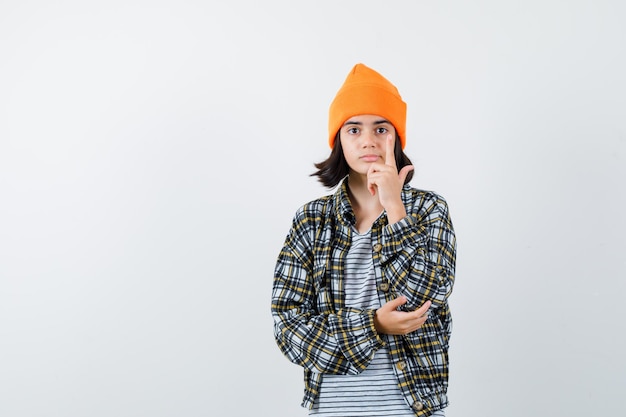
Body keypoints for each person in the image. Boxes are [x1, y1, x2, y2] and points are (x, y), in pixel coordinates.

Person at [271, 63, 457, 417]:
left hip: (413, 407)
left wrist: (394, 208)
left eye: (381, 128)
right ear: (339, 139)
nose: (368, 140)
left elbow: (425, 296)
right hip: (333, 407)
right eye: (354, 129)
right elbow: (288, 327)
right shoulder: (311, 220)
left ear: (397, 137)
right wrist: (372, 325)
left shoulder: (429, 209)